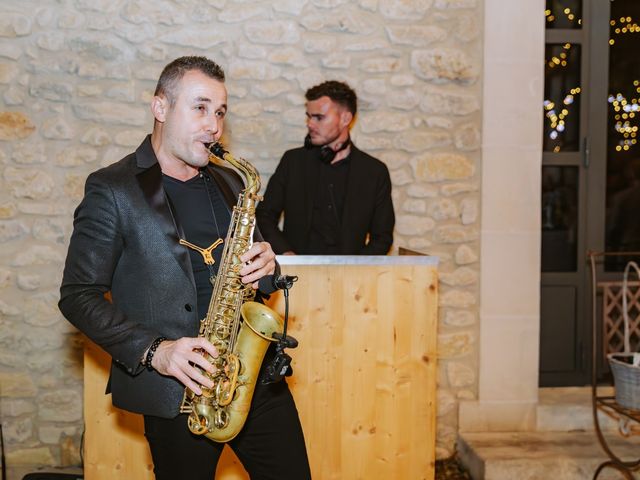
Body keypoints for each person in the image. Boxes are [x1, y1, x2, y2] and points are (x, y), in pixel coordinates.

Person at [58, 56, 311, 480]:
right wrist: (156, 351)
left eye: (220, 111)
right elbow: (78, 296)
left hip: (252, 378)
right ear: (160, 108)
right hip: (178, 390)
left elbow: (255, 273)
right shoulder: (112, 189)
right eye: (200, 107)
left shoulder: (231, 182)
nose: (214, 124)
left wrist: (267, 266)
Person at [256, 80, 395, 255]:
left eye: (319, 117)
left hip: (351, 280)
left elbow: (382, 238)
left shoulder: (374, 172)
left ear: (345, 118)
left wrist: (353, 272)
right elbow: (264, 216)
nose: (310, 124)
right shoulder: (293, 161)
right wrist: (286, 253)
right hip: (295, 277)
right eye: (309, 116)